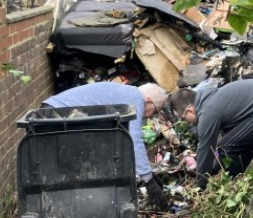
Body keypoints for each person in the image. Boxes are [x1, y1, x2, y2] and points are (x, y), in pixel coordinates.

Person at [43, 82, 169, 210]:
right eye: (155, 112)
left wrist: (149, 173)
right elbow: (134, 138)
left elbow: (123, 142)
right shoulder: (136, 99)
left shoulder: (127, 94)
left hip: (54, 113)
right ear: (149, 101)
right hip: (55, 117)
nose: (150, 117)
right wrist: (148, 179)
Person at [168, 79, 253, 189]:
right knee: (237, 145)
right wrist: (211, 165)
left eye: (184, 118)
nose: (187, 123)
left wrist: (201, 186)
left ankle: (238, 183)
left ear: (190, 111)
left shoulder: (207, 112)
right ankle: (250, 180)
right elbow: (228, 141)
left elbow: (207, 149)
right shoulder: (212, 98)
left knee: (226, 146)